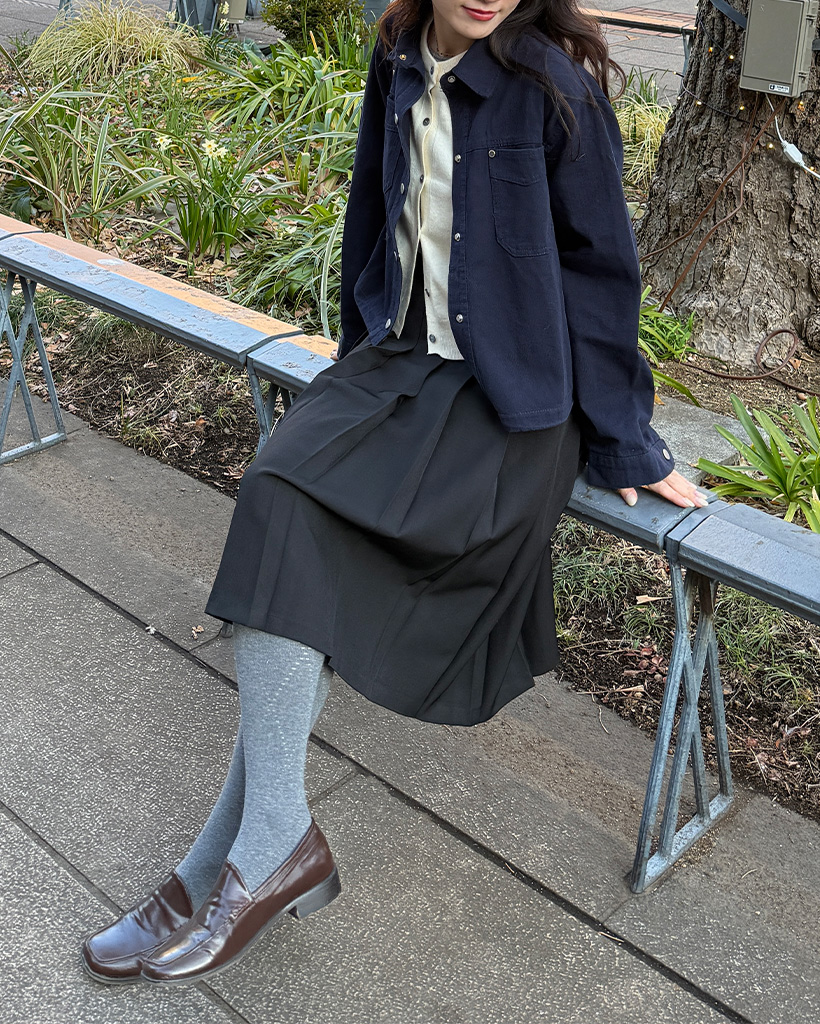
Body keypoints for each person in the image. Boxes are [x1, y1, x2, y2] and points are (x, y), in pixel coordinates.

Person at [82, 0, 707, 987]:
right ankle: (260, 849)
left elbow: (601, 275)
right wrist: (356, 360)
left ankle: (223, 865)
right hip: (398, 368)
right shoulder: (399, 57)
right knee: (279, 495)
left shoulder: (553, 87)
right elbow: (372, 211)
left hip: (508, 409)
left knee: (300, 553)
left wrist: (627, 441)